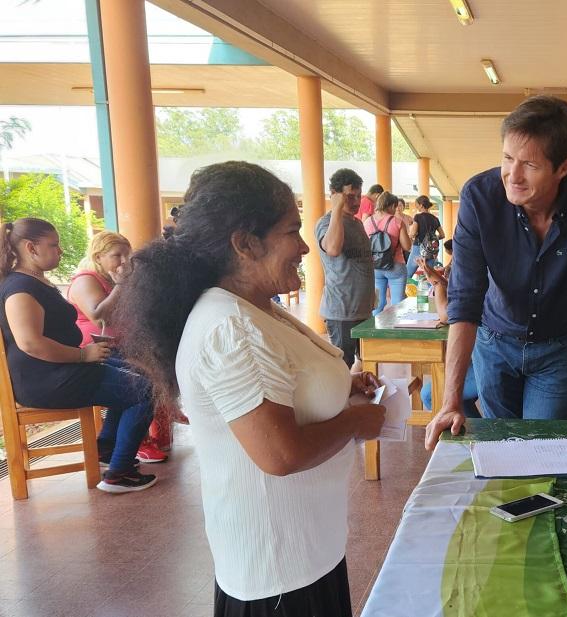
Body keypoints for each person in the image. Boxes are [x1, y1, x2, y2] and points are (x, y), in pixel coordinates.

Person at [114, 161, 386, 616]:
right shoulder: (230, 326)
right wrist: (358, 420)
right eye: (291, 231)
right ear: (244, 243)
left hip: (308, 545)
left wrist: (343, 386)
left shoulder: (254, 307)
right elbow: (280, 454)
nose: (304, 247)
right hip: (276, 568)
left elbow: (287, 382)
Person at [425, 95, 567, 450]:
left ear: (564, 166)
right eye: (507, 159)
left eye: (530, 164)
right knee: (504, 449)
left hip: (558, 349)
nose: (513, 175)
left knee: (543, 450)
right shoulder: (479, 197)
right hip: (494, 344)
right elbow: (465, 299)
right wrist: (449, 403)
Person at [0, 218, 157, 493]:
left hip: (62, 370)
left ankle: (106, 450)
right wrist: (83, 355)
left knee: (140, 372)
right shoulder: (20, 289)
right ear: (31, 248)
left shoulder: (32, 281)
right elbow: (30, 343)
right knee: (147, 389)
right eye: (54, 245)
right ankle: (119, 473)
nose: (60, 251)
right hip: (48, 379)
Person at [67, 230, 168, 464]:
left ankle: (106, 447)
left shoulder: (111, 279)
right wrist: (122, 286)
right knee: (144, 385)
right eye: (116, 255)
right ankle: (123, 461)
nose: (124, 261)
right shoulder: (86, 279)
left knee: (146, 377)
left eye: (127, 255)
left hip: (117, 348)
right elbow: (98, 316)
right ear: (98, 257)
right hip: (95, 352)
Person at [317, 168, 374, 367]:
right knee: (343, 368)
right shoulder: (326, 223)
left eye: (359, 196)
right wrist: (337, 209)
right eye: (350, 197)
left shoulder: (357, 223)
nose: (356, 202)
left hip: (363, 310)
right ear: (335, 194)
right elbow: (332, 248)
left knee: (365, 365)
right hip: (341, 312)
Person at [415, 241, 478, 417]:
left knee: (430, 394)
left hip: (491, 358)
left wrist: (436, 284)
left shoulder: (474, 257)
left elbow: (447, 315)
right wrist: (436, 278)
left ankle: (473, 436)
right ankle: (471, 433)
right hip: (487, 353)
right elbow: (456, 289)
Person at [364, 191, 411, 315]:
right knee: (397, 304)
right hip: (395, 266)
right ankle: (396, 332)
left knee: (377, 304)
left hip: (375, 267)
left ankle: (375, 331)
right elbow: (407, 246)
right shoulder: (397, 221)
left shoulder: (368, 222)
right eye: (395, 207)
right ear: (391, 206)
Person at [406, 195, 445, 278]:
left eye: (417, 205)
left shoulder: (418, 217)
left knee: (407, 274)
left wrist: (410, 230)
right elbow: (442, 235)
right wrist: (432, 239)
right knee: (429, 276)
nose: (416, 207)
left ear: (421, 205)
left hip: (418, 248)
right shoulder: (435, 218)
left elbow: (412, 233)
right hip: (431, 250)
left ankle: (405, 291)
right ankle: (432, 291)